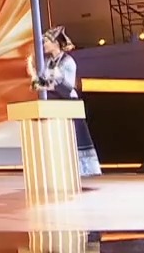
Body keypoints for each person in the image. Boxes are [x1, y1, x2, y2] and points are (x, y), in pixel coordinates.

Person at [27, 26, 102, 177]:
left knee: (74, 137)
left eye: (46, 41)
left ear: (56, 43)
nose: (44, 45)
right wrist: (33, 74)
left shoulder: (68, 62)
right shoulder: (49, 62)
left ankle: (81, 169)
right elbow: (39, 85)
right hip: (56, 104)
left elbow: (65, 86)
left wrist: (40, 82)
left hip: (68, 104)